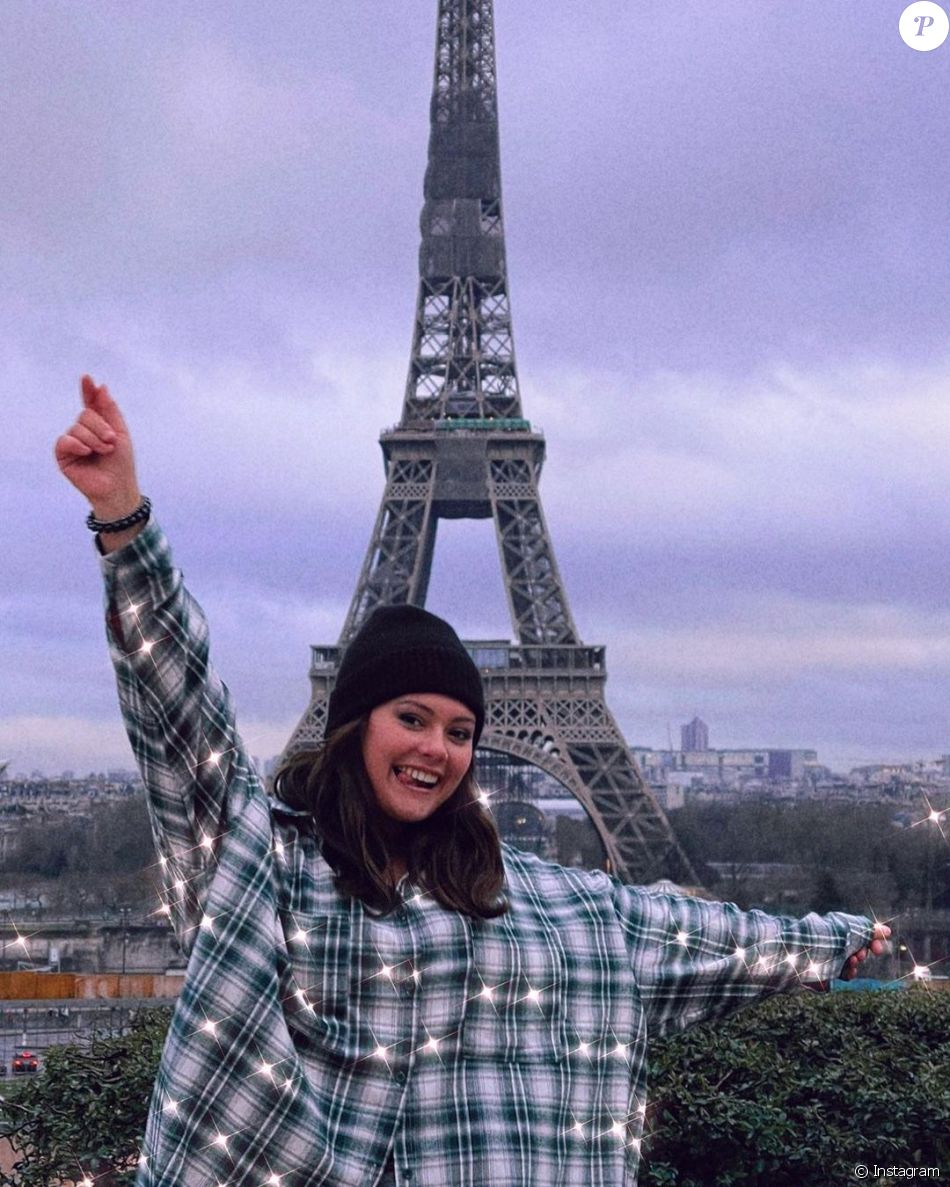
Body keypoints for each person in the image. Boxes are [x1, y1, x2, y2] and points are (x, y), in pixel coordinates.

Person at [56, 375, 890, 1187]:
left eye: (460, 731)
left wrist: (845, 939)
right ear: (353, 726)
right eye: (410, 718)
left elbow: (704, 941)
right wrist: (125, 526)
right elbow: (180, 719)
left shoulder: (546, 904)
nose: (438, 749)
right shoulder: (263, 869)